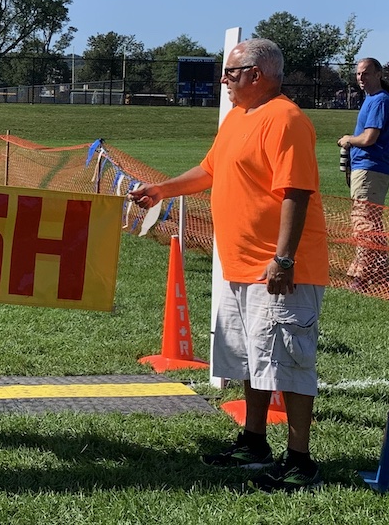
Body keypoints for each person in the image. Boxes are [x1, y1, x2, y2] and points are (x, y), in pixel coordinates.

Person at [129, 38, 328, 492]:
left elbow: (297, 192)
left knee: (290, 364)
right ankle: (254, 443)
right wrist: (162, 190)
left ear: (257, 75)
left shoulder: (286, 119)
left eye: (231, 73)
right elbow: (209, 172)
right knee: (251, 360)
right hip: (239, 266)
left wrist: (283, 258)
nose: (224, 80)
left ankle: (301, 461)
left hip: (278, 268)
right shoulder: (239, 118)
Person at [337, 58, 389, 292]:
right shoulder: (371, 100)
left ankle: (361, 276)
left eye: (366, 73)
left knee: (364, 222)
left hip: (371, 168)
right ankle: (379, 271)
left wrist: (349, 139)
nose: (361, 78)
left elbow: (369, 138)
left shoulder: (379, 100)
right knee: (369, 222)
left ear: (378, 74)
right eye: (358, 74)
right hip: (366, 168)